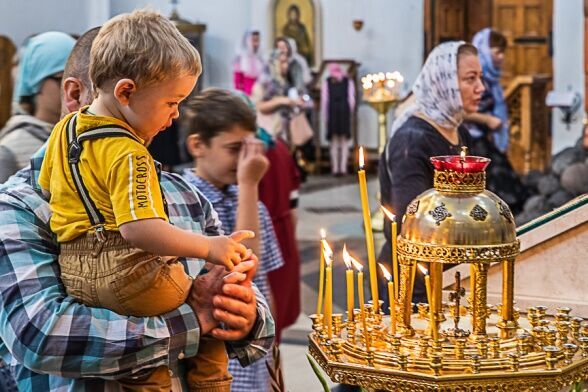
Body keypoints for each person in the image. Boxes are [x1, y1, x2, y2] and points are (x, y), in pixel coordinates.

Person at [0, 25, 274, 392]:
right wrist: (195, 320)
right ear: (76, 95)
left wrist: (245, 315)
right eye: (170, 103)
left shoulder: (182, 192)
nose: (174, 117)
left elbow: (246, 311)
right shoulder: (20, 204)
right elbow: (42, 334)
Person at [182, 88, 285, 391]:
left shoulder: (250, 201)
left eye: (249, 148)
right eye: (234, 148)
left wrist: (272, 345)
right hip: (219, 358)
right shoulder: (184, 203)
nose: (244, 159)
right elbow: (242, 267)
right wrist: (250, 185)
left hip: (255, 352)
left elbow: (261, 278)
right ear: (198, 145)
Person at [378, 41, 483, 306]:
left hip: (451, 274)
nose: (480, 87)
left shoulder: (460, 132)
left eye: (480, 78)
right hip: (412, 281)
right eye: (471, 79)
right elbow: (411, 223)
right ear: (443, 81)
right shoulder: (411, 140)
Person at [463, 28, 529, 214]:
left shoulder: (490, 76)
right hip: (469, 138)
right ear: (484, 50)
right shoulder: (471, 73)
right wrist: (487, 119)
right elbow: (457, 109)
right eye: (497, 52)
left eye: (503, 53)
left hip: (483, 136)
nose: (501, 57)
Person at [0, 31, 75, 182]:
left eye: (78, 82)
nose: (72, 90)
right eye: (61, 79)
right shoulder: (10, 150)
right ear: (36, 83)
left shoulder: (80, 136)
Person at [321, 63, 355, 176]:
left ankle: (335, 168)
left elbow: (324, 101)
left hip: (332, 113)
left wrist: (325, 117)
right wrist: (350, 113)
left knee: (334, 142)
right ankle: (343, 168)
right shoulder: (348, 81)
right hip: (344, 112)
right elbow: (351, 101)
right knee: (344, 141)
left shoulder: (327, 82)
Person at [233, 29, 264, 96]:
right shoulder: (241, 59)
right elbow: (238, 80)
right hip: (247, 91)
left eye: (257, 40)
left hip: (260, 91)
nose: (256, 44)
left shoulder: (261, 58)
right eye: (253, 40)